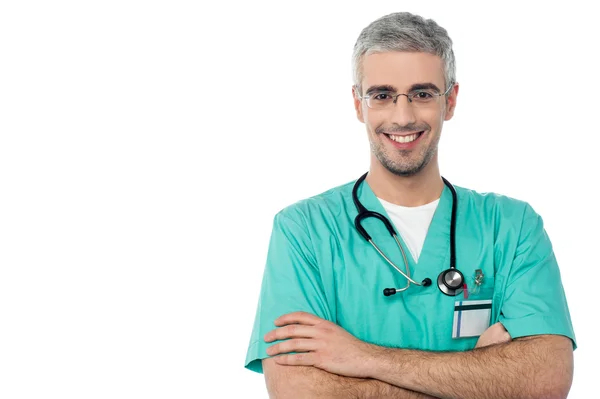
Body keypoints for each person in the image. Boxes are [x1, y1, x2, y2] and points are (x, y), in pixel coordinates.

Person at [244, 11, 576, 399]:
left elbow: (545, 380)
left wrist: (363, 357)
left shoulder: (513, 226)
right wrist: (481, 378)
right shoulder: (303, 230)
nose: (402, 117)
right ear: (358, 104)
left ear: (450, 101)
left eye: (422, 94)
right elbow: (297, 390)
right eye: (382, 95)